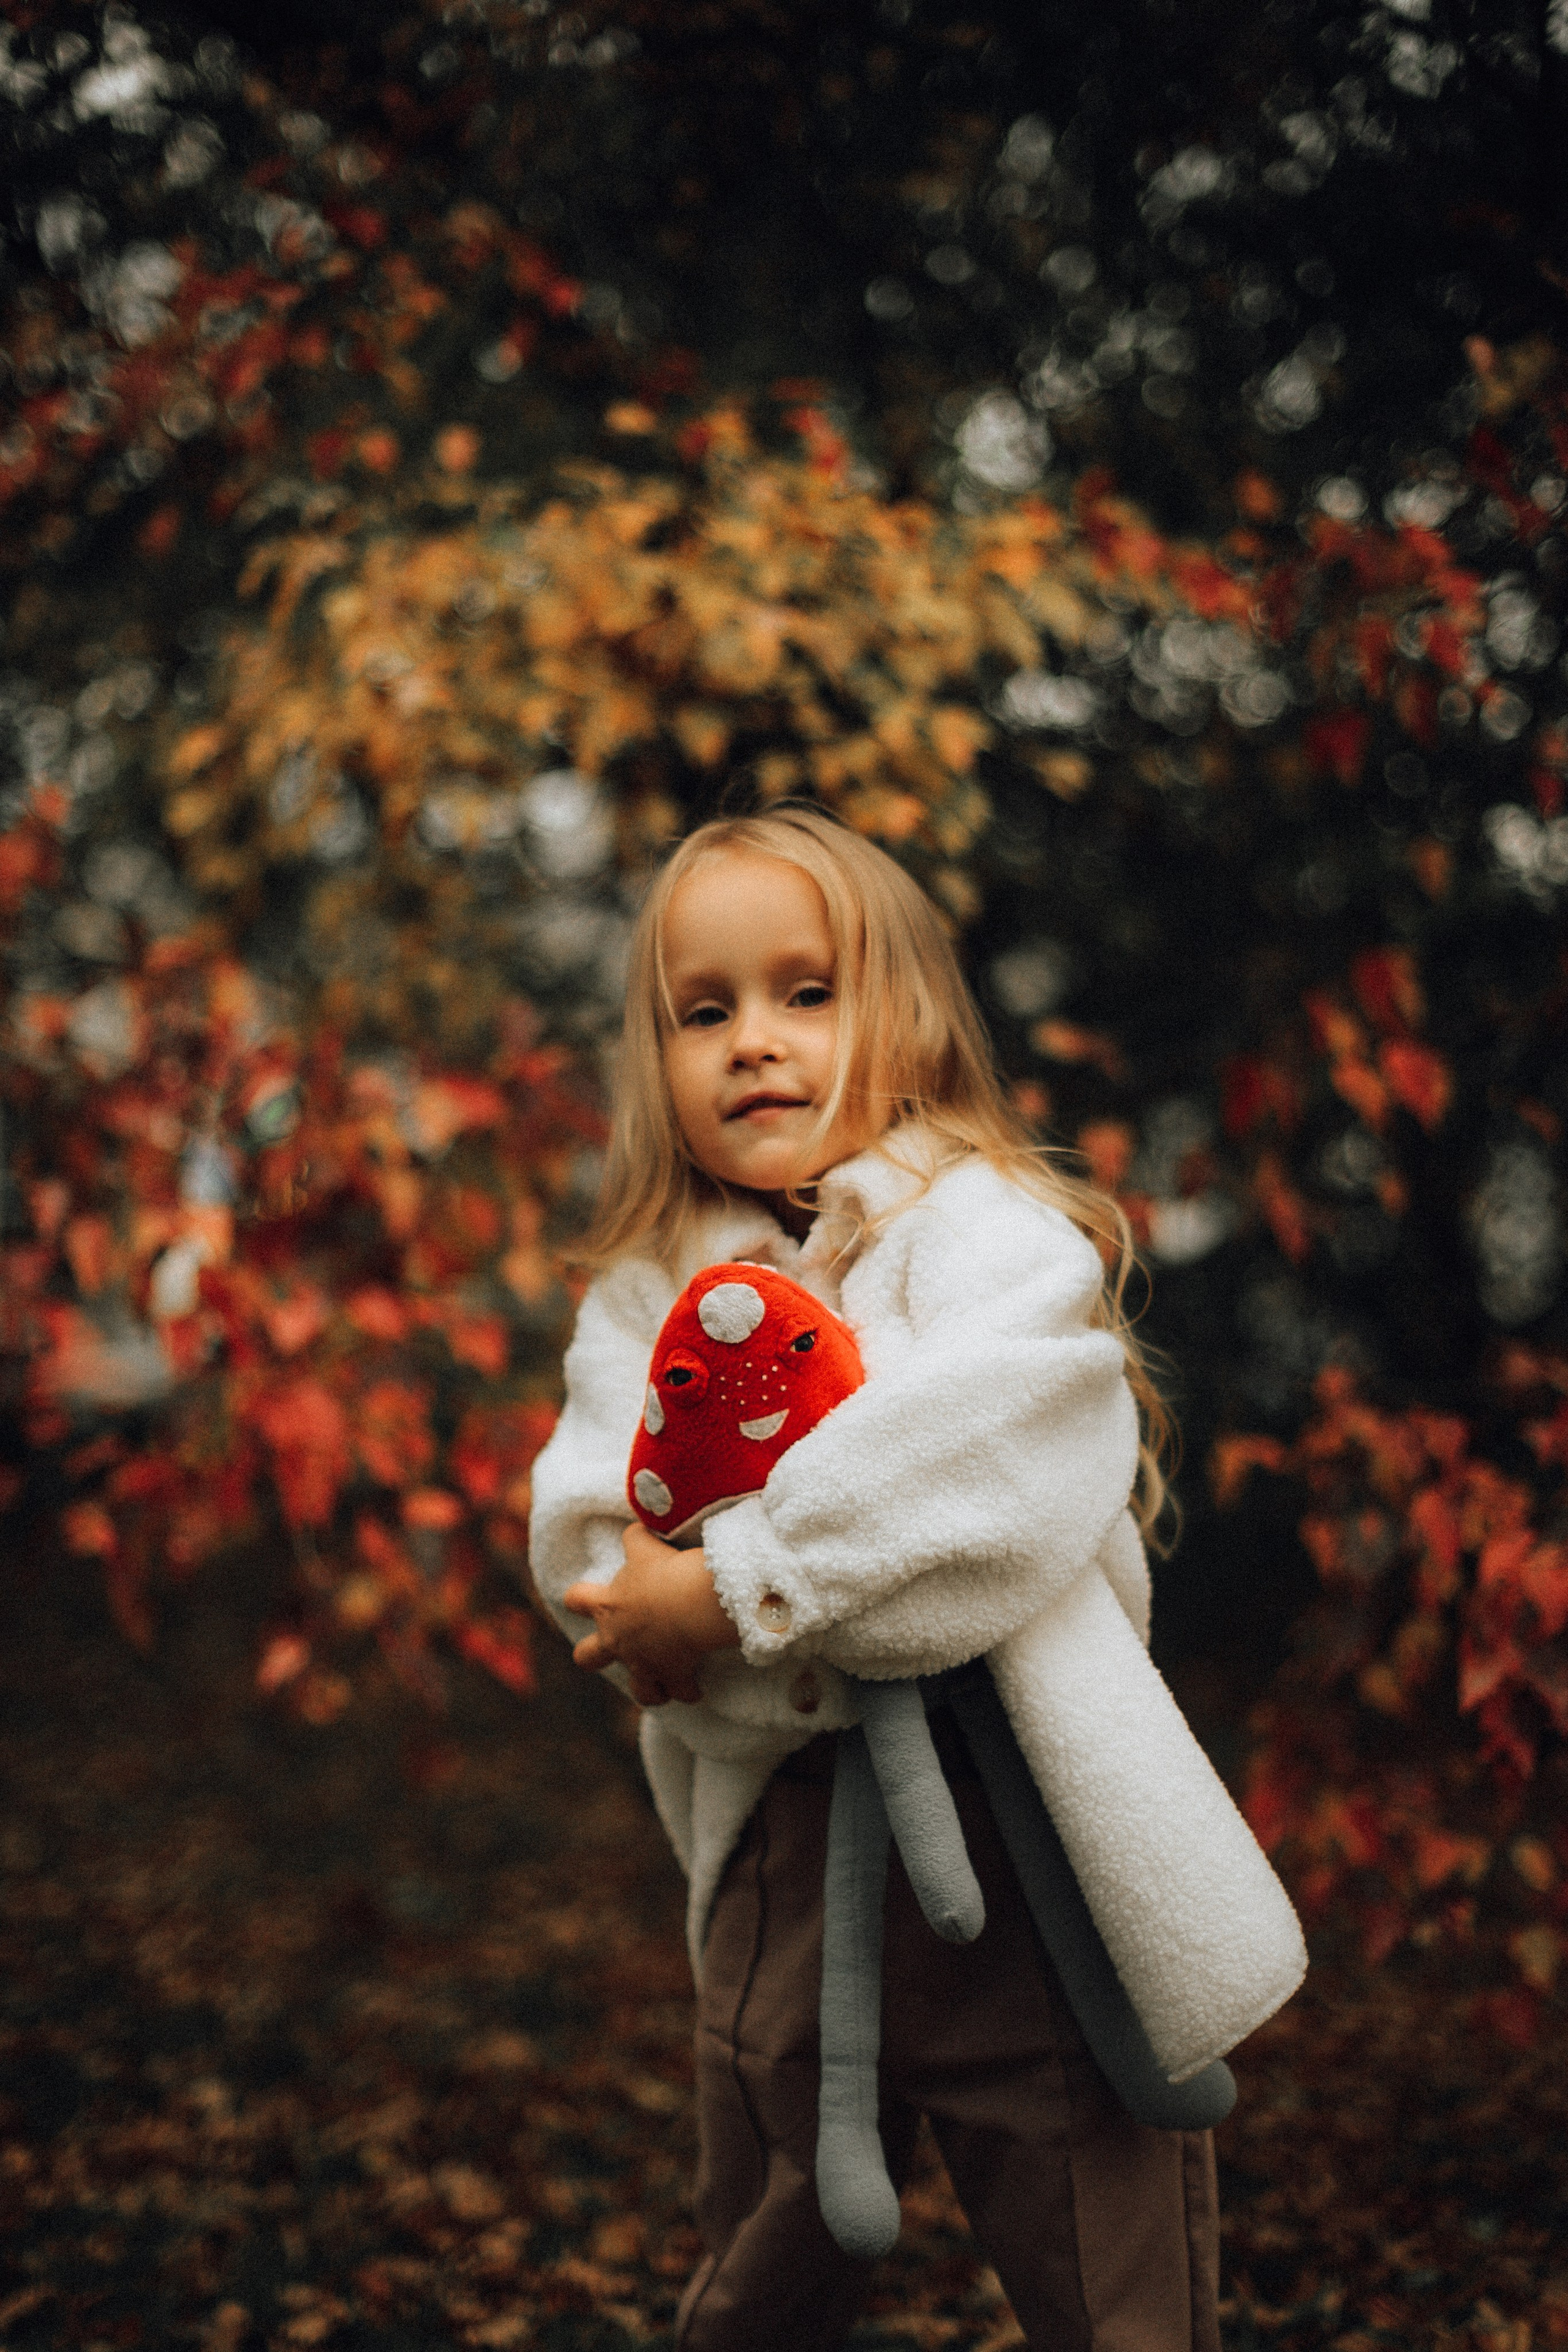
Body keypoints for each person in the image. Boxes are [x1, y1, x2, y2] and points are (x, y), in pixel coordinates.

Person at [528, 804, 1305, 2352]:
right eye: (705, 1011)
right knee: (765, 2226)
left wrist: (742, 1575)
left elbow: (992, 1461)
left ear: (908, 1019)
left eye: (804, 994)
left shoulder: (982, 1233)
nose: (754, 1041)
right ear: (657, 1061)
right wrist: (652, 1597)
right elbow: (591, 1543)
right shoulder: (645, 1293)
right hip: (790, 1854)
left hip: (1021, 1827)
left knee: (1098, 2215)